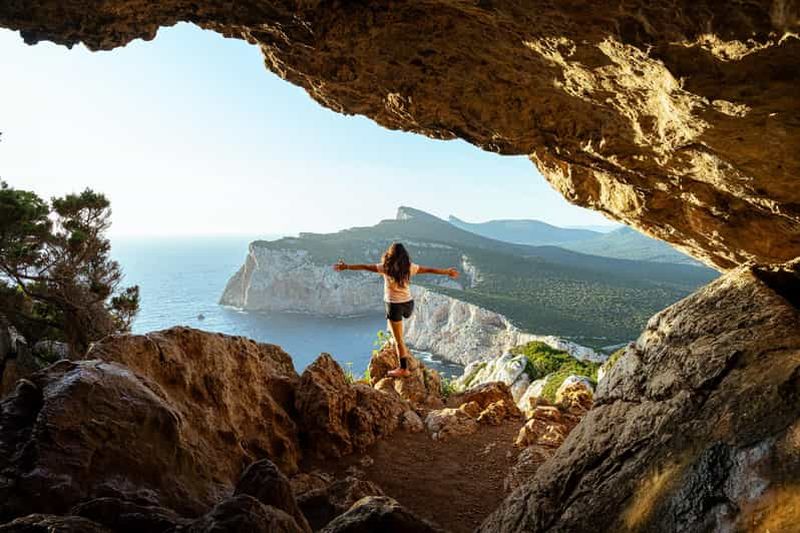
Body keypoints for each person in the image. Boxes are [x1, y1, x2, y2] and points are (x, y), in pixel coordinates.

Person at [333, 243, 459, 377]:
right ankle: (397, 331)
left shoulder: (385, 268)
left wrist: (346, 266)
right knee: (399, 327)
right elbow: (429, 270)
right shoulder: (410, 268)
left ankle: (403, 368)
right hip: (408, 305)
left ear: (390, 255)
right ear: (404, 256)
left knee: (398, 340)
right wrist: (447, 272)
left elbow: (365, 266)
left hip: (394, 306)